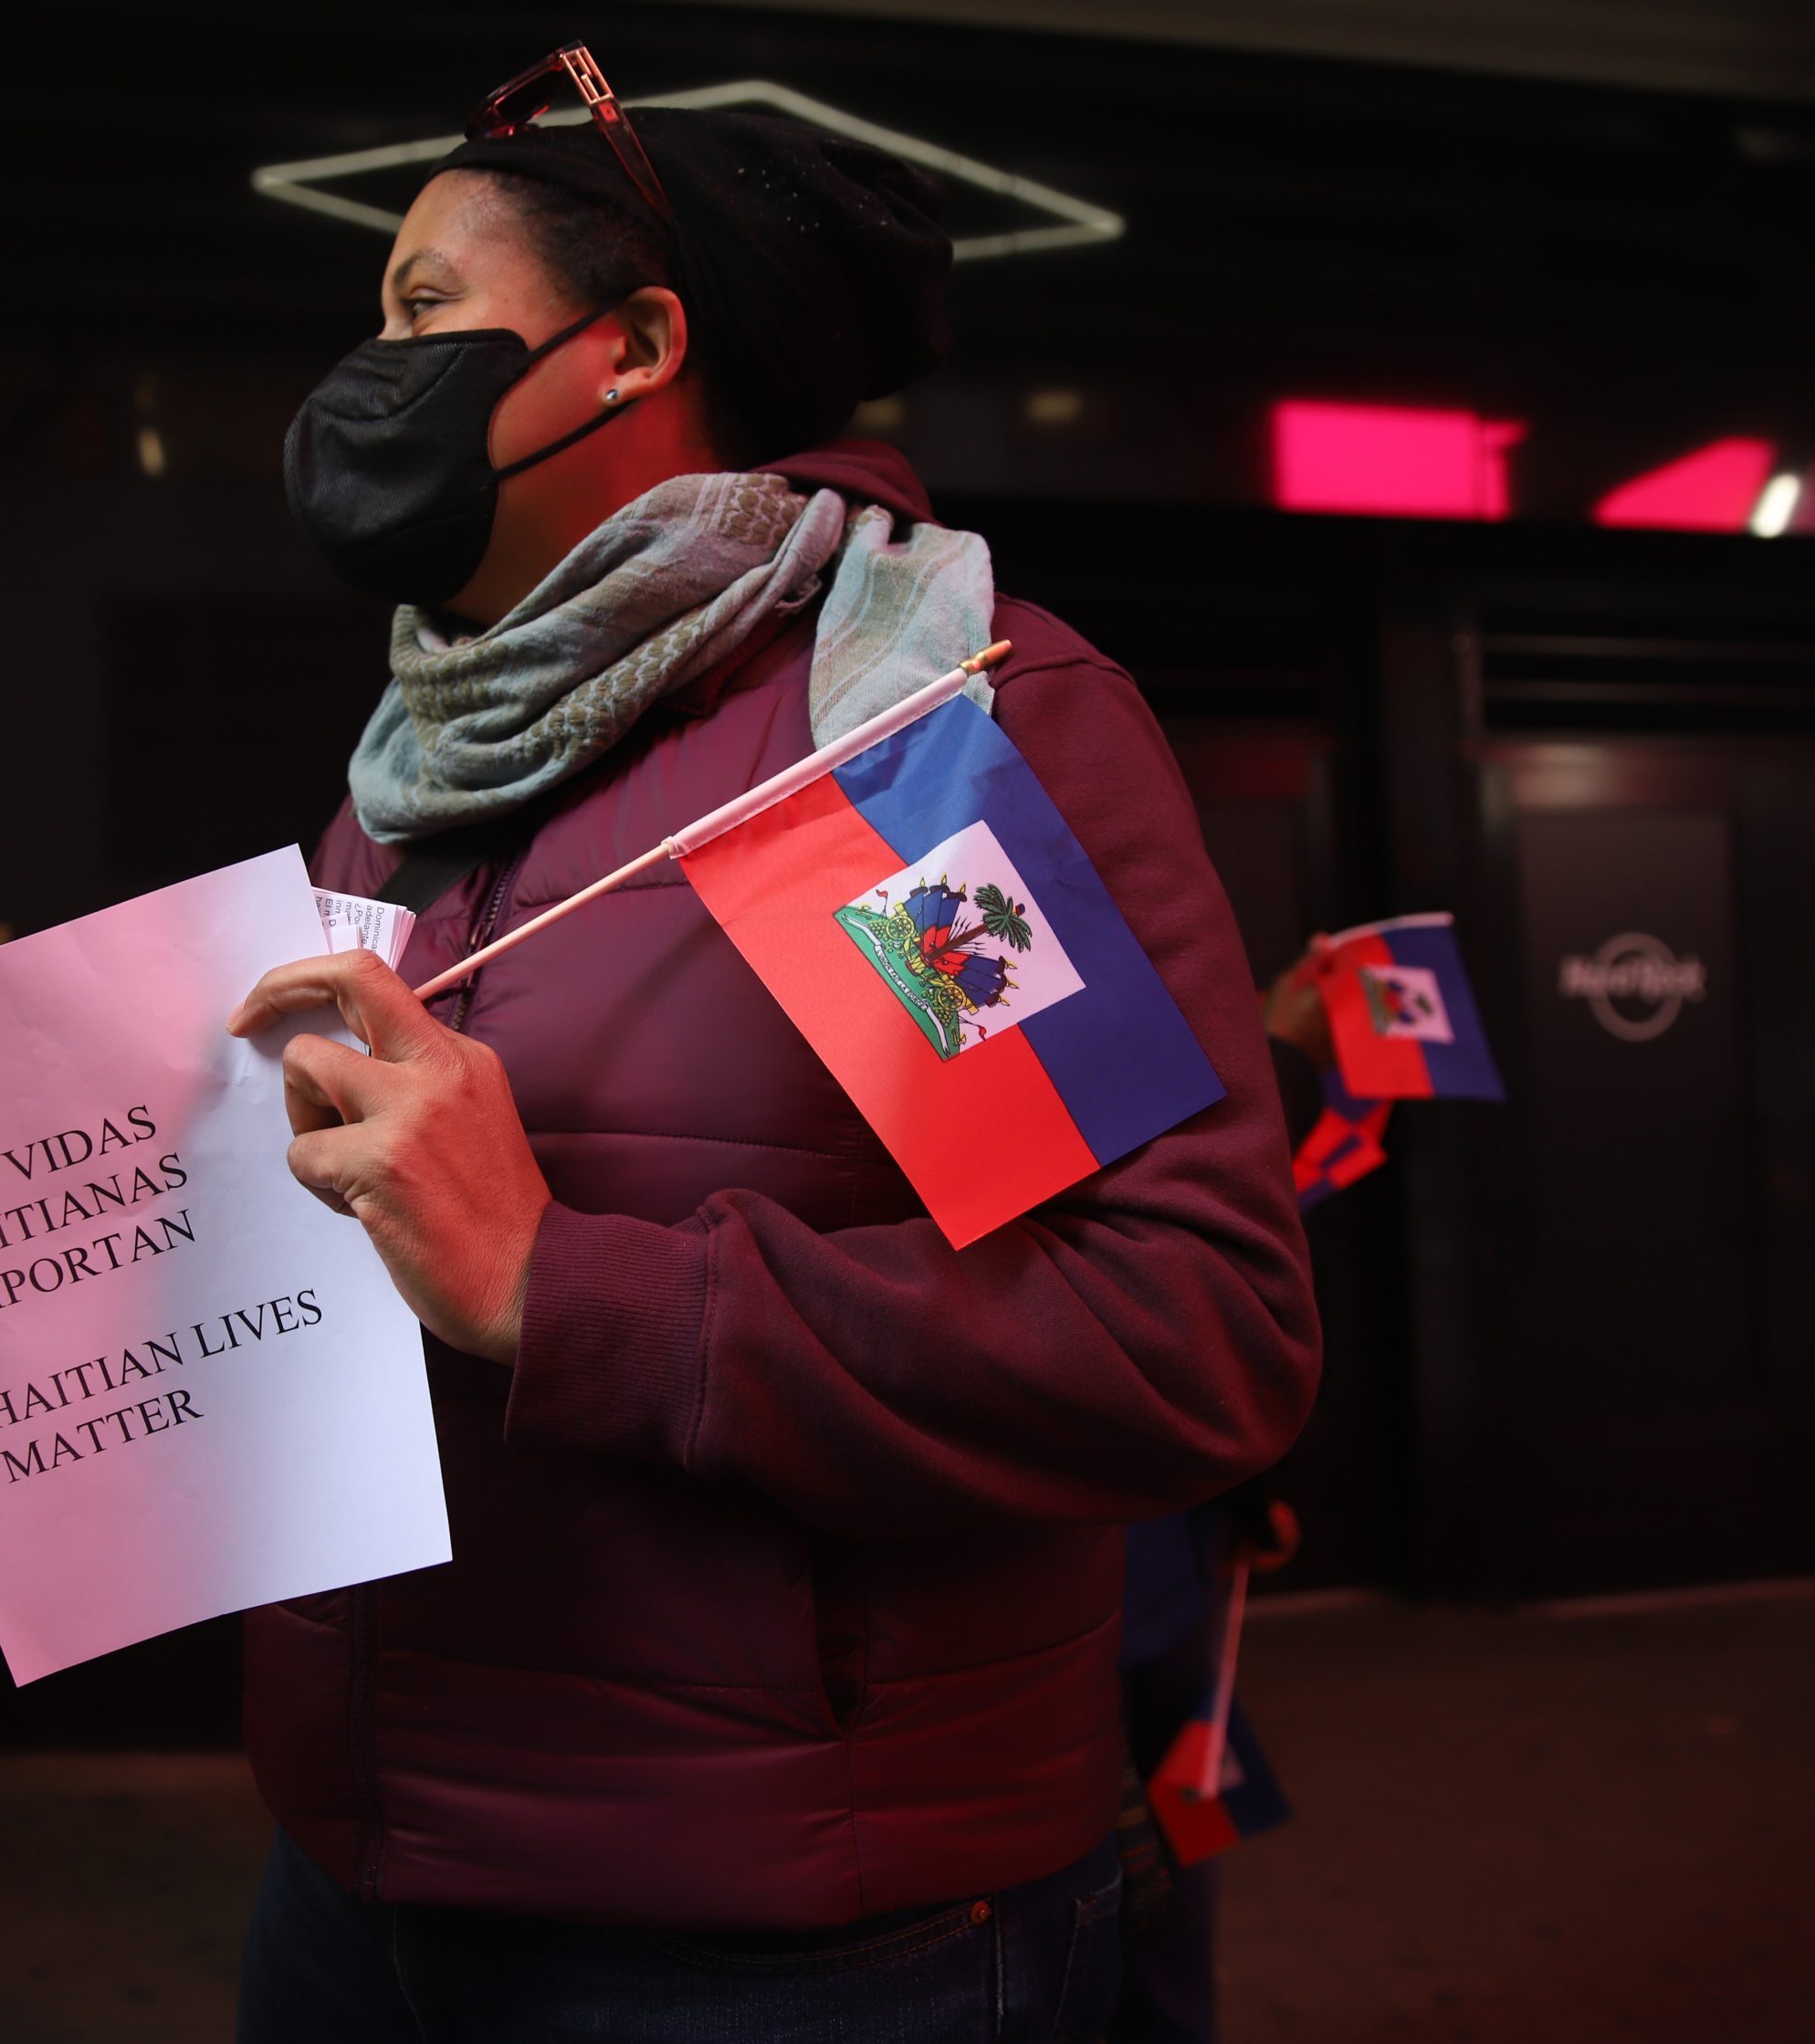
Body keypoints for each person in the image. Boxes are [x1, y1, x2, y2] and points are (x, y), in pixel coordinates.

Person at [226, 46, 1321, 2042]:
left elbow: (1185, 1326)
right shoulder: (415, 772)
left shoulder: (889, 750)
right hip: (358, 1882)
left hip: (796, 1952)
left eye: (417, 308)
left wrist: (567, 1287)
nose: (359, 366)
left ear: (631, 347)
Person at [1111, 936, 1334, 2042]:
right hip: (1114, 1541)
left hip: (1149, 1528)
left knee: (1164, 1806)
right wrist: (1284, 1045)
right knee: (1148, 1825)